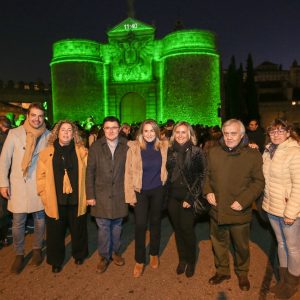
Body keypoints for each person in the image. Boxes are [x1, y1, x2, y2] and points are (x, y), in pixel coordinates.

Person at [204, 119, 264, 291]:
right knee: (219, 243)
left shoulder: (252, 155)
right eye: (226, 133)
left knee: (241, 246)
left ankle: (243, 273)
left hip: (239, 210)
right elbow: (206, 175)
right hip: (217, 209)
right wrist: (208, 191)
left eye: (233, 133)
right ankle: (222, 271)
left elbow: (258, 182)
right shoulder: (213, 152)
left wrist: (244, 201)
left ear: (242, 134)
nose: (229, 137)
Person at [0, 103, 50, 273]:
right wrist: (3, 183)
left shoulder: (48, 136)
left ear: (44, 118)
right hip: (19, 185)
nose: (37, 119)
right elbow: (4, 160)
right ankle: (19, 254)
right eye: (33, 115)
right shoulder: (14, 133)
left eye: (40, 116)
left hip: (39, 185)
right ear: (28, 116)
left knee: (40, 219)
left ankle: (37, 249)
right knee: (18, 222)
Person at [36, 121, 89, 273]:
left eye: (69, 130)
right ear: (57, 133)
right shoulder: (47, 153)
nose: (66, 133)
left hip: (76, 198)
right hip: (55, 199)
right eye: (63, 130)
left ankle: (79, 254)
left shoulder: (82, 151)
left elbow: (88, 174)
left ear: (74, 134)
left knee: (78, 229)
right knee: (55, 233)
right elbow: (40, 177)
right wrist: (44, 196)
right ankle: (56, 260)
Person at [262, 119, 300, 299]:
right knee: (281, 243)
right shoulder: (269, 150)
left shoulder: (295, 152)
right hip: (272, 207)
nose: (276, 134)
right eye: (272, 131)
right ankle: (283, 280)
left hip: (289, 210)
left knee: (293, 247)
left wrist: (291, 212)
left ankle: (292, 283)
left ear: (288, 132)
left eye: (280, 131)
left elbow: (299, 186)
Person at [125, 119, 168, 277]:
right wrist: (130, 195)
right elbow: (128, 173)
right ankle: (139, 260)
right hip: (140, 192)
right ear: (141, 132)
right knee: (140, 225)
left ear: (157, 132)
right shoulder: (134, 148)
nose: (149, 134)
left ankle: (154, 253)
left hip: (158, 190)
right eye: (146, 131)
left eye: (152, 131)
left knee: (156, 223)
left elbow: (184, 141)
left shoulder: (164, 146)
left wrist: (248, 142)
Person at [86, 116, 128, 273]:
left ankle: (116, 252)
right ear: (103, 130)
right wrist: (90, 195)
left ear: (119, 129)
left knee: (117, 226)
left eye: (114, 127)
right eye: (107, 128)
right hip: (100, 194)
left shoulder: (127, 146)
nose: (111, 131)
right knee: (103, 227)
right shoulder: (96, 147)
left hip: (120, 194)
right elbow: (89, 172)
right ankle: (104, 256)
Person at [166, 121, 205, 278]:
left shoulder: (196, 152)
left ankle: (191, 260)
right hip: (172, 197)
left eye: (184, 132)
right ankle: (182, 259)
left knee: (187, 230)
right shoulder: (169, 151)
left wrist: (190, 197)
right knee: (178, 230)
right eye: (178, 132)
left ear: (190, 134)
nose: (180, 135)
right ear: (174, 134)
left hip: (189, 197)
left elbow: (202, 175)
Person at [0, 116, 12, 247]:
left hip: (4, 177)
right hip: (8, 176)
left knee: (3, 207)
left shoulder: (4, 138)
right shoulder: (12, 136)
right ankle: (3, 236)